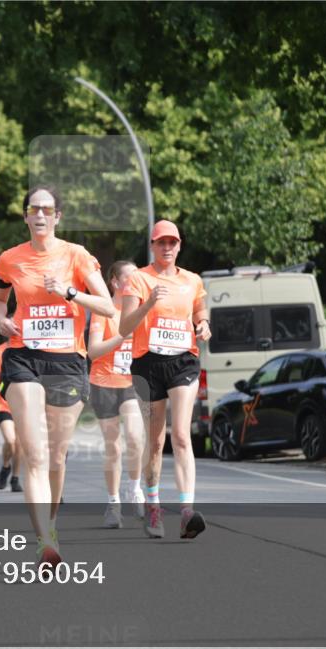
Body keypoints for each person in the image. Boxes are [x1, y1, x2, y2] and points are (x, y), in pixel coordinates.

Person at [0, 185, 114, 566]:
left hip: (66, 361)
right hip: (23, 356)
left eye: (47, 209)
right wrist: (1, 321)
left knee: (57, 457)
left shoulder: (76, 255)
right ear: (26, 216)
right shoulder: (10, 259)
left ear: (57, 216)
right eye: (33, 209)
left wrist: (69, 293)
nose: (40, 215)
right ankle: (45, 540)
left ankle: (52, 524)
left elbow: (108, 307)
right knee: (34, 454)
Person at [119, 220, 211, 540]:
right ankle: (154, 504)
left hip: (183, 361)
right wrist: (148, 303)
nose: (167, 248)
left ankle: (187, 511)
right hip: (147, 364)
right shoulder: (139, 279)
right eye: (161, 243)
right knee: (156, 441)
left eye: (172, 243)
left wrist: (203, 325)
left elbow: (200, 310)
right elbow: (124, 327)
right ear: (153, 246)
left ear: (179, 246)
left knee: (182, 435)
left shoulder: (192, 280)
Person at [88, 260, 145, 528]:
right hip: (103, 381)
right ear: (115, 282)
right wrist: (120, 338)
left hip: (132, 383)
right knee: (113, 446)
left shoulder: (140, 310)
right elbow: (93, 351)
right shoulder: (104, 310)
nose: (136, 281)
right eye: (130, 277)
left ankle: (134, 487)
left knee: (135, 437)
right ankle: (113, 503)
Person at [0, 338, 21, 492]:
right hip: (3, 404)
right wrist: (0, 388)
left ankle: (15, 479)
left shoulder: (27, 349)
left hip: (22, 405)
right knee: (10, 440)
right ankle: (5, 467)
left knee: (19, 444)